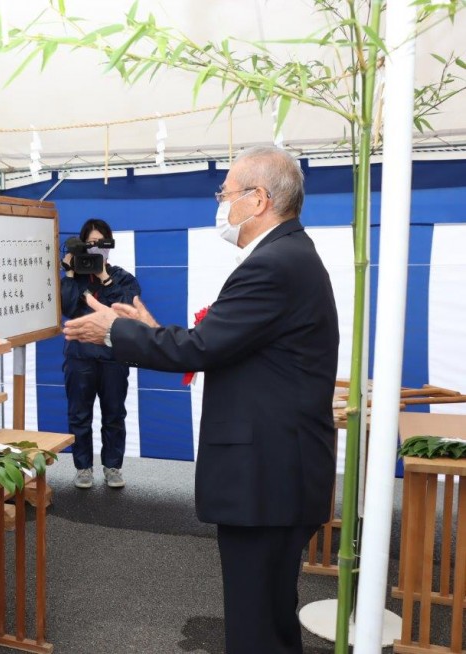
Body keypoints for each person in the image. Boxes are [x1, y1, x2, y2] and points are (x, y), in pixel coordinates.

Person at [63, 146, 339, 654]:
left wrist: (114, 331)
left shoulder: (275, 264)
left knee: (257, 625)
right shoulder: (288, 256)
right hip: (278, 472)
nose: (221, 204)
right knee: (268, 615)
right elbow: (224, 345)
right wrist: (146, 329)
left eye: (226, 192)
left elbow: (206, 346)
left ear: (258, 200)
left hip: (267, 476)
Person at [60, 218, 141, 490]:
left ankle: (112, 467)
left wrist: (105, 277)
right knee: (79, 415)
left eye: (101, 243)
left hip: (113, 358)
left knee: (114, 414)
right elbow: (68, 308)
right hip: (79, 358)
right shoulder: (76, 277)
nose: (96, 249)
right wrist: (70, 273)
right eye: (90, 243)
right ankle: (83, 468)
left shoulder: (122, 277)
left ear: (109, 246)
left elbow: (125, 307)